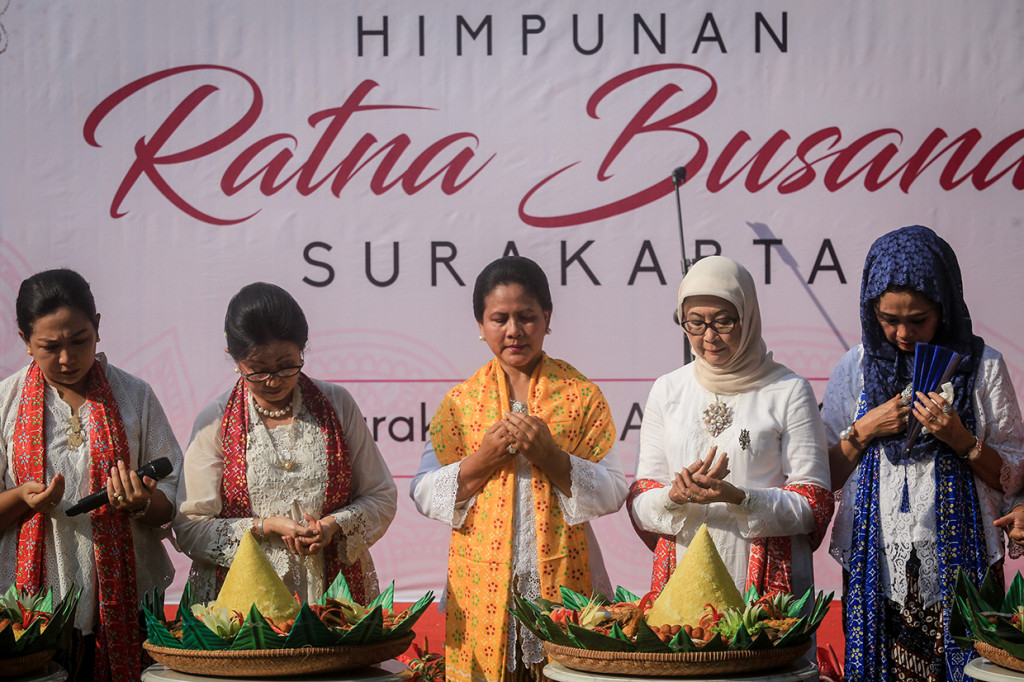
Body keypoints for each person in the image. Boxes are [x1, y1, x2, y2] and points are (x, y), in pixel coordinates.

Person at [410, 256, 627, 682]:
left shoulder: (579, 394)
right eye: (500, 318)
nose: (514, 330)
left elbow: (614, 490)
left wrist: (551, 456)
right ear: (480, 324)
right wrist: (483, 459)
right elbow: (422, 491)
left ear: (547, 318)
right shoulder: (461, 403)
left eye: (527, 317)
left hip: (566, 578)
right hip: (481, 586)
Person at [824, 225, 1024, 682]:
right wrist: (866, 428)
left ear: (945, 307)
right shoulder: (853, 369)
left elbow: (1013, 474)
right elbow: (828, 476)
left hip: (963, 565)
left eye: (919, 320)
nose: (902, 333)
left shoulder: (982, 366)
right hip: (878, 567)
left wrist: (959, 438)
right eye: (888, 318)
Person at [0, 268, 182, 682]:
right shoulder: (5, 402)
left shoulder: (135, 395)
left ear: (97, 330)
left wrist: (141, 502)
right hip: (28, 614)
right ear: (26, 343)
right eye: (50, 346)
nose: (67, 358)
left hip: (127, 600)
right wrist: (21, 501)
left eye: (79, 341)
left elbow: (172, 498)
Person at [174, 282, 397, 605]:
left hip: (333, 598)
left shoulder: (337, 404)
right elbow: (191, 526)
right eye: (259, 370)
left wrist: (333, 526)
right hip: (247, 605)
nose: (274, 380)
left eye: (286, 364)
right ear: (234, 359)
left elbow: (381, 496)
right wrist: (264, 528)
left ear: (303, 349)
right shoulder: (216, 420)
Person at [628, 256, 833, 603]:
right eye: (695, 323)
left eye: (723, 322)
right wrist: (674, 496)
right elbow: (640, 501)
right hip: (683, 580)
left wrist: (739, 497)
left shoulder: (788, 390)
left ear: (748, 316)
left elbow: (814, 504)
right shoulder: (668, 390)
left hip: (763, 586)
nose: (709, 336)